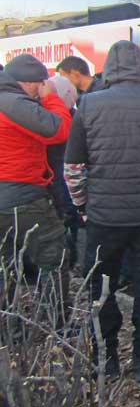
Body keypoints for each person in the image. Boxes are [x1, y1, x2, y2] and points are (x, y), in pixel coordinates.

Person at [64, 40, 140, 383]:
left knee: (101, 288)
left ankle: (106, 360)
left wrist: (83, 206)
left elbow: (73, 167)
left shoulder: (87, 105)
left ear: (112, 69)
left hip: (104, 218)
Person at [0, 55, 72, 324]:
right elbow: (58, 130)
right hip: (21, 195)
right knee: (53, 256)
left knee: (5, 263)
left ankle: (8, 327)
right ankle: (58, 325)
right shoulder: (13, 102)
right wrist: (53, 98)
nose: (40, 90)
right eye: (39, 85)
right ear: (26, 83)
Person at [46, 75, 81, 269]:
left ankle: (66, 264)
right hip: (71, 186)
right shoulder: (79, 117)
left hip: (57, 186)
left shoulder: (50, 120)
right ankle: (69, 263)